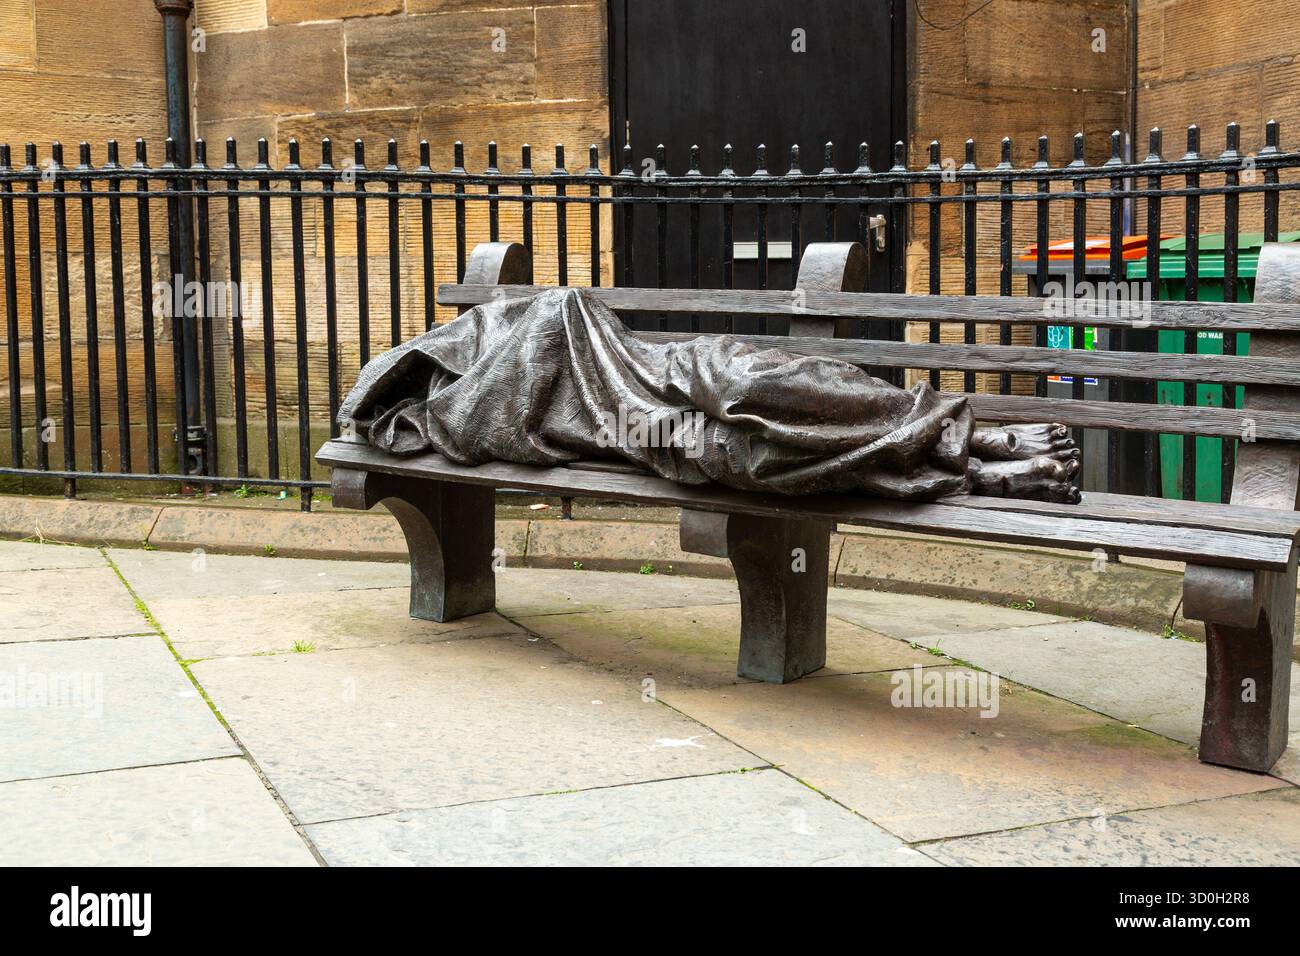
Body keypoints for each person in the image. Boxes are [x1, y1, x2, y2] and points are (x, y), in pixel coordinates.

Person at [339, 288, 1081, 503]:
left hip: (667, 370)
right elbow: (477, 427)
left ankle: (960, 433)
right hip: (636, 431)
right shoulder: (447, 414)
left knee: (758, 386)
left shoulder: (492, 328)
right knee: (747, 458)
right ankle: (973, 470)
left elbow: (564, 312)